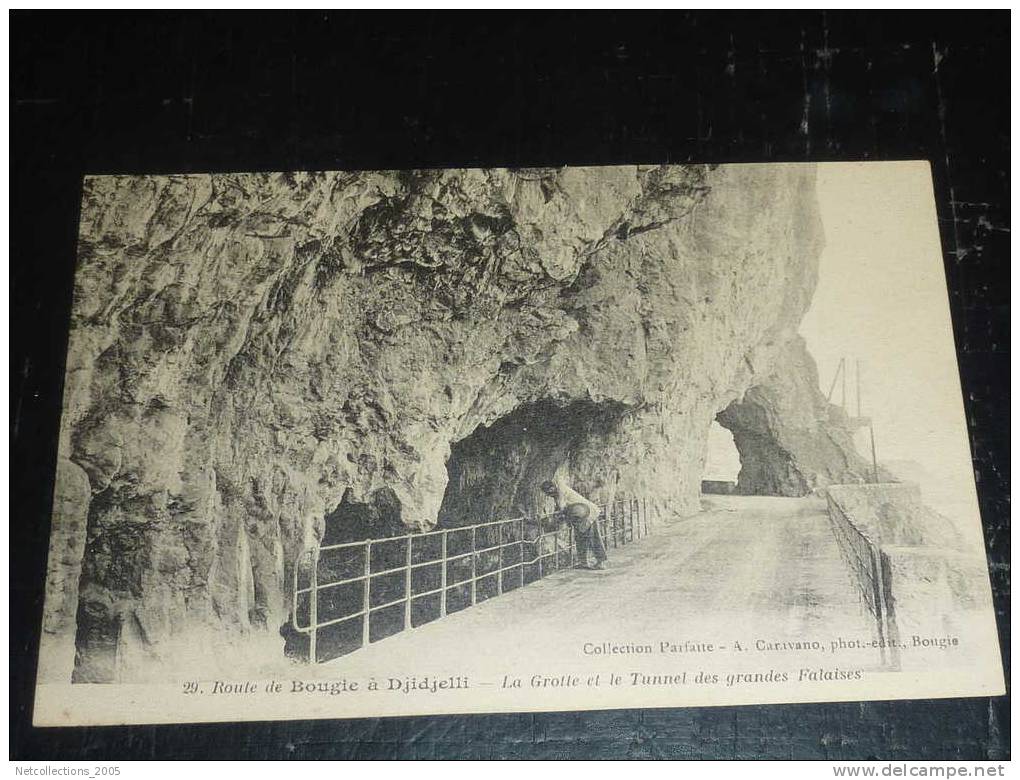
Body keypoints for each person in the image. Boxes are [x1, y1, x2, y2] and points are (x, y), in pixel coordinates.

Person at [540, 479, 608, 570]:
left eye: (548, 492)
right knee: (580, 538)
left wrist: (553, 519)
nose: (548, 495)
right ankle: (583, 562)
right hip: (578, 516)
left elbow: (562, 507)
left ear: (551, 488)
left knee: (593, 537)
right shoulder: (557, 493)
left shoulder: (561, 491)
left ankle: (601, 562)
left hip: (588, 513)